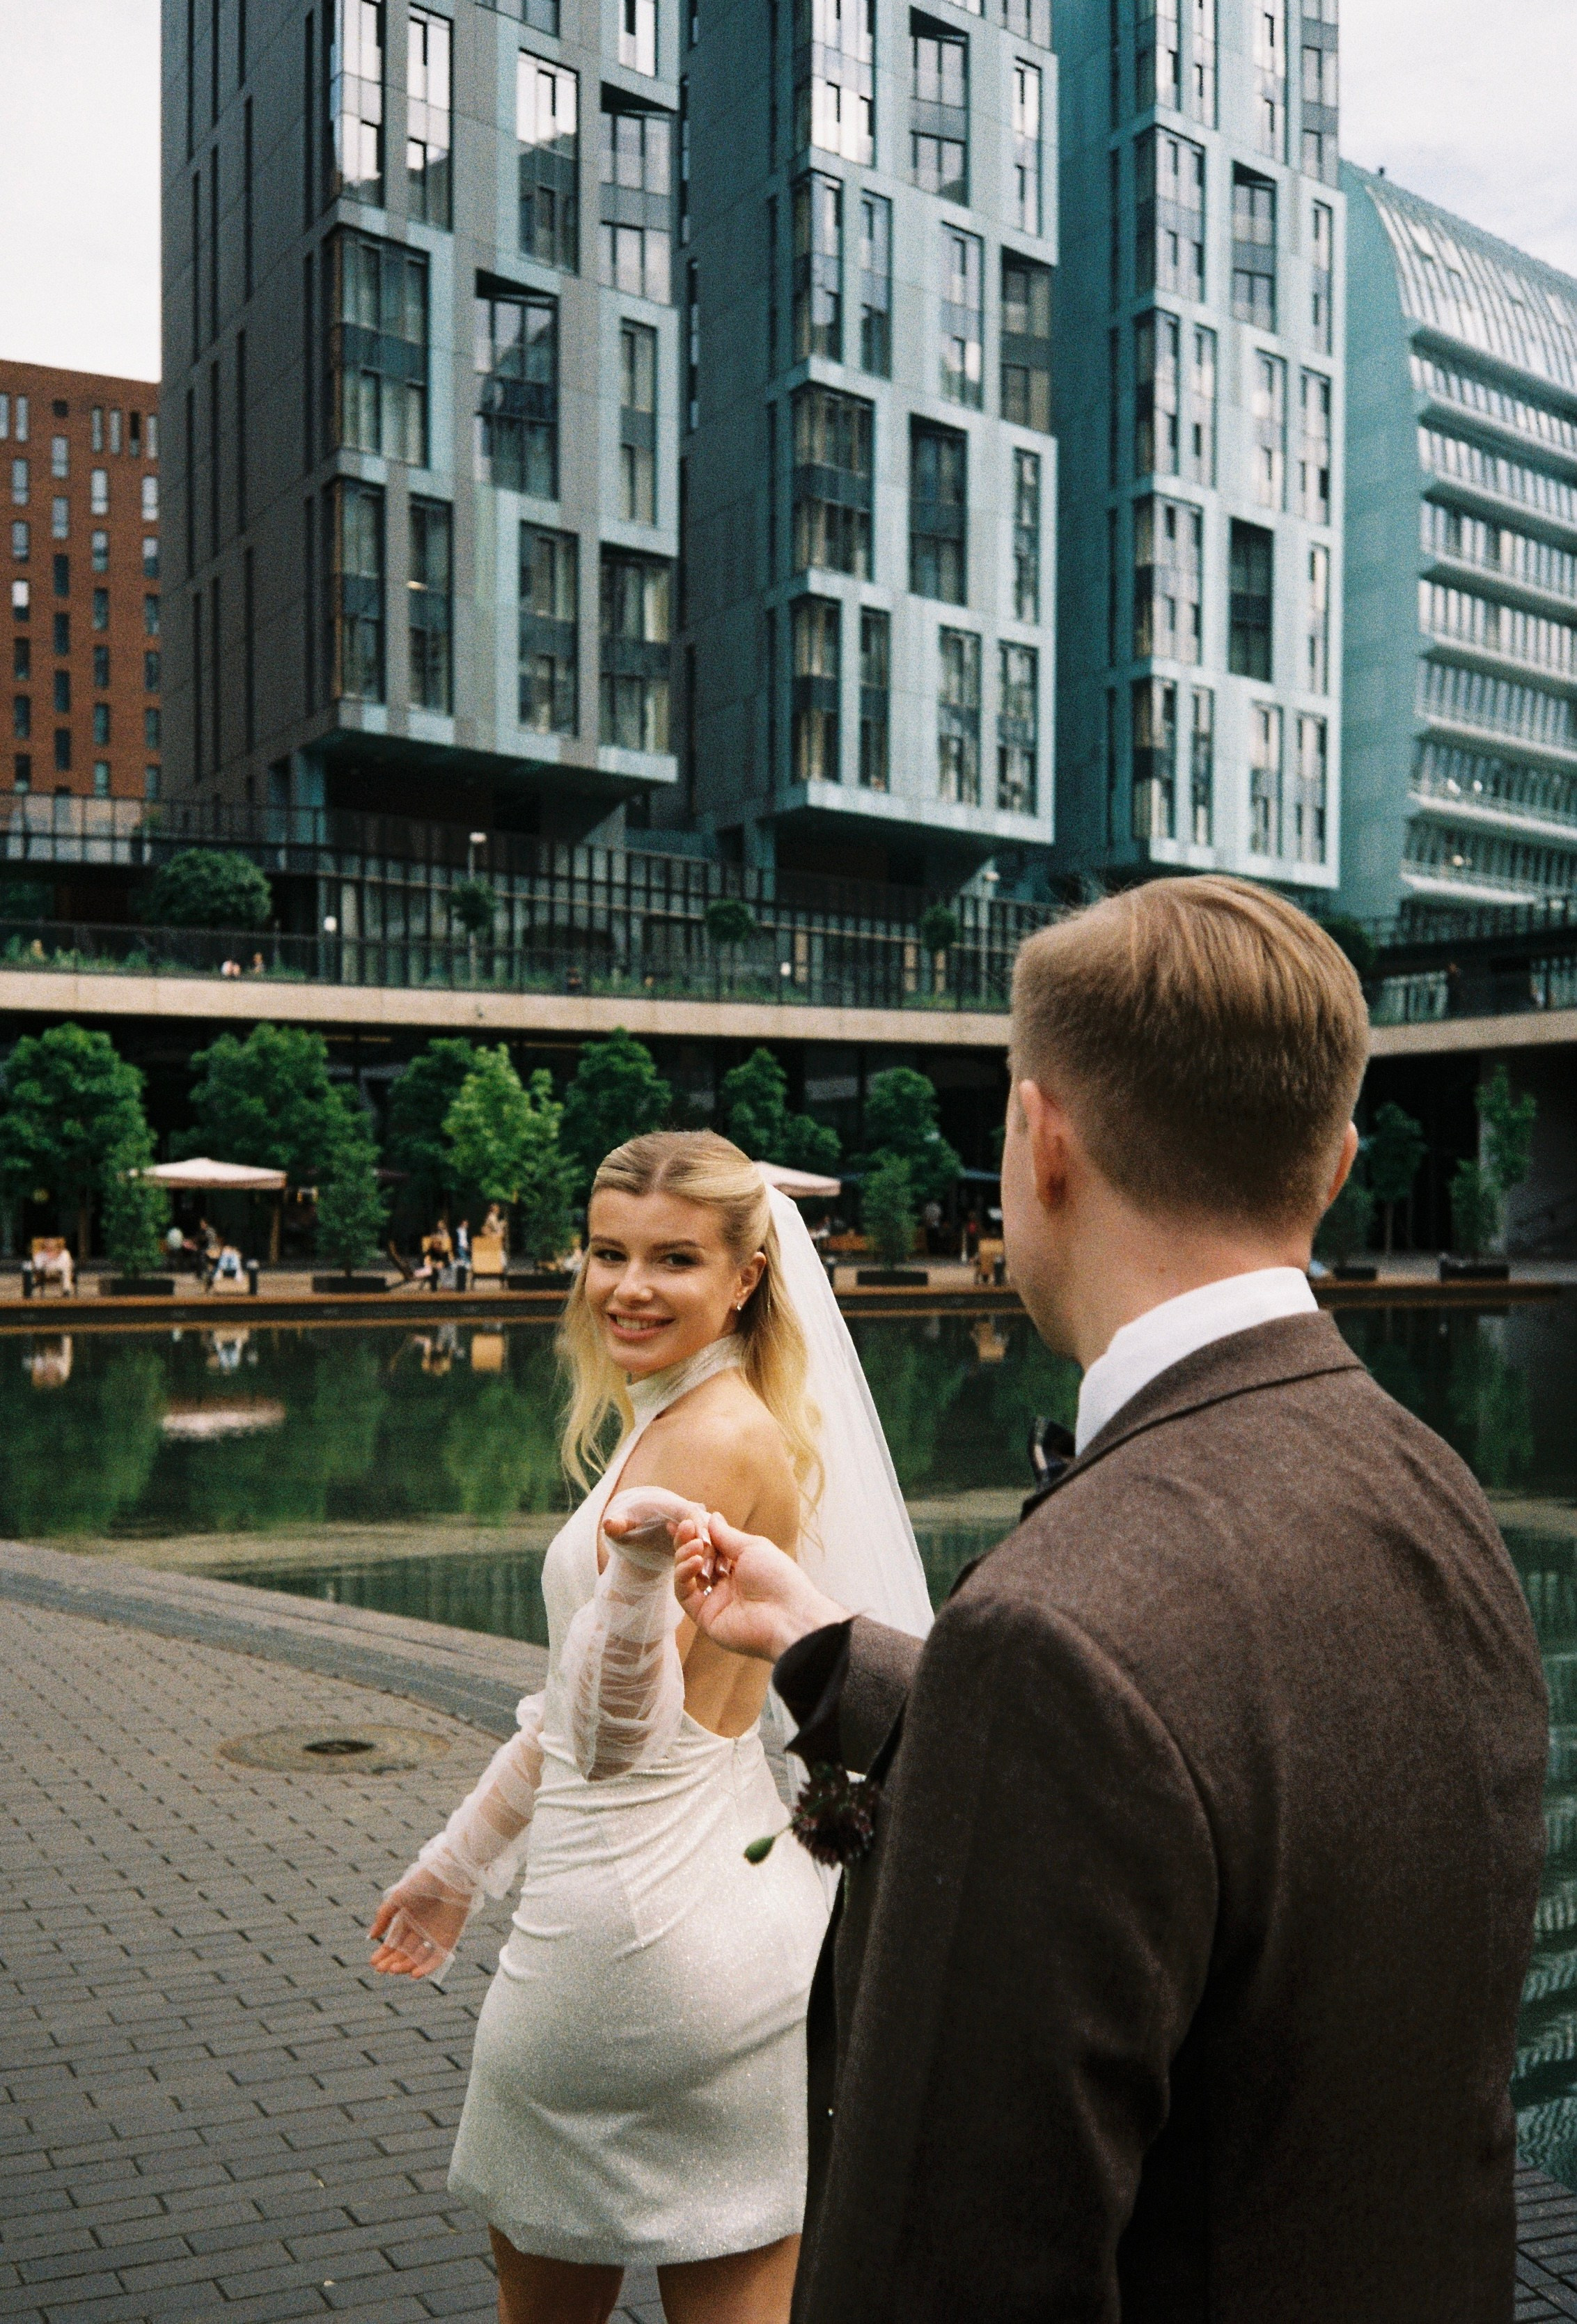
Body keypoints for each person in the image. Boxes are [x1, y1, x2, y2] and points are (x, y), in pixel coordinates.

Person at [675, 876, 1548, 2324]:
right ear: (1332, 1166)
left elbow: (945, 2275)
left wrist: (985, 1685)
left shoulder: (1053, 1632)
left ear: (1039, 1138)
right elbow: (1239, 1792)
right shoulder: (1434, 1488)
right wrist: (842, 1655)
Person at [367, 1132, 929, 2324]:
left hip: (615, 1953)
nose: (627, 1284)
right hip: (733, 1937)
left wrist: (626, 1585)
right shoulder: (704, 1413)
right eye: (607, 1250)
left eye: (673, 1257)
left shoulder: (712, 1438)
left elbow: (612, 1738)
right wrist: (454, 1867)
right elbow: (568, 1721)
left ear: (745, 1276)